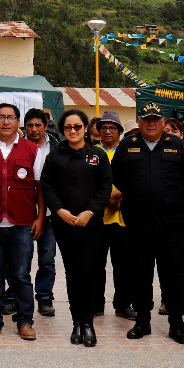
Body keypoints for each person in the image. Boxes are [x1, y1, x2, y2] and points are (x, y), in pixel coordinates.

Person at [111, 103, 184, 345]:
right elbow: (117, 176)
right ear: (139, 122)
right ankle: (142, 321)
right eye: (146, 119)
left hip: (170, 223)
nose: (151, 123)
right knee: (140, 273)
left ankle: (177, 324)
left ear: (162, 122)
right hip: (138, 223)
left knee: (173, 275)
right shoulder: (127, 145)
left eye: (155, 119)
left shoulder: (176, 145)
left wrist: (172, 200)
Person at [0, 102, 47, 341]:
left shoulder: (32, 149)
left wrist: (40, 218)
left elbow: (40, 187)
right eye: (1, 117)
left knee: (21, 275)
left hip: (22, 223)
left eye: (11, 117)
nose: (6, 121)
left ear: (18, 122)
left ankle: (25, 321)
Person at [41, 108, 111, 347]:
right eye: (68, 127)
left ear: (86, 128)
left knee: (88, 272)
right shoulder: (55, 156)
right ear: (63, 130)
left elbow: (105, 187)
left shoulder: (98, 155)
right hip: (64, 224)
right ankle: (77, 323)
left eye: (77, 126)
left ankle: (88, 323)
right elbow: (47, 187)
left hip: (91, 224)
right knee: (72, 273)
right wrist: (60, 211)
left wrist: (89, 212)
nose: (73, 131)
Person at [94, 110, 133, 319]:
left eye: (112, 128)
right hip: (98, 218)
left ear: (119, 131)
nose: (108, 131)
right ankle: (96, 304)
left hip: (122, 217)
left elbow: (136, 178)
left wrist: (119, 194)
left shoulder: (128, 151)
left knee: (123, 264)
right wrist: (104, 198)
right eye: (104, 128)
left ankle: (123, 304)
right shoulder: (92, 152)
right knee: (96, 264)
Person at [22, 107, 58, 318]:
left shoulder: (57, 148)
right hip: (23, 213)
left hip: (51, 214)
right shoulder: (17, 147)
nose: (34, 129)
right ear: (24, 127)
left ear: (45, 126)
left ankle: (45, 297)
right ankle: (16, 296)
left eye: (38, 125)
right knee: (20, 260)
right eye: (30, 126)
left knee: (47, 259)